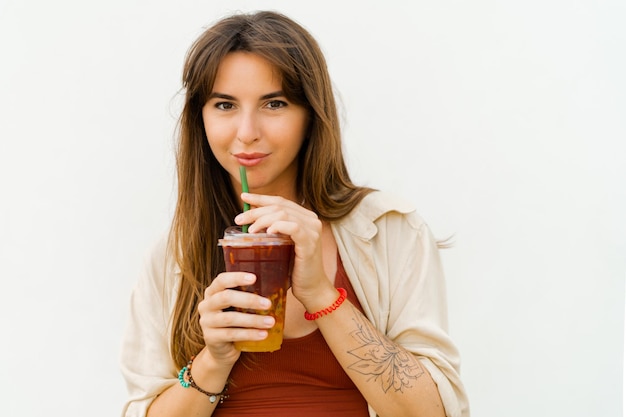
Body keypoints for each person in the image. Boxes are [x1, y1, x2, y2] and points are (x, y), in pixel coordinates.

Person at [120, 10, 469, 417]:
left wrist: (323, 295)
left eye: (274, 103)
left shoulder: (391, 231)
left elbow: (431, 412)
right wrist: (212, 360)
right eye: (225, 104)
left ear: (311, 116)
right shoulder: (173, 257)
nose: (247, 131)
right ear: (201, 118)